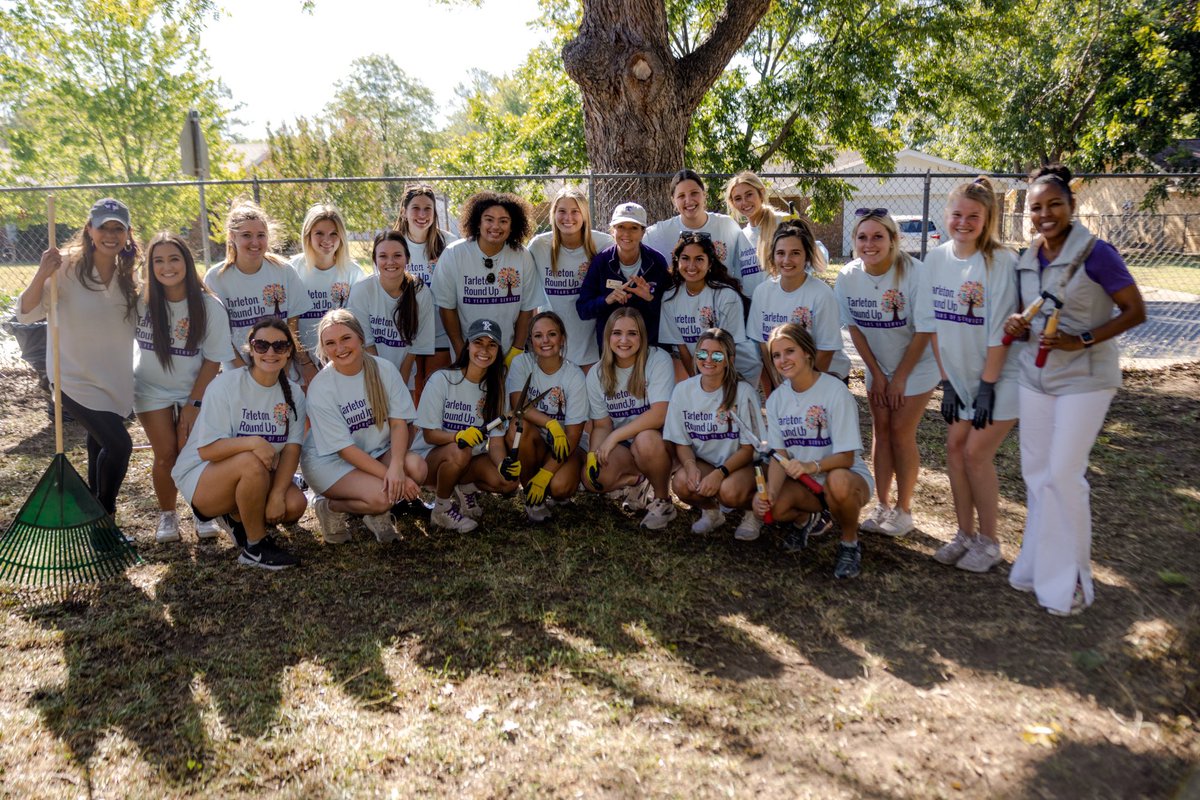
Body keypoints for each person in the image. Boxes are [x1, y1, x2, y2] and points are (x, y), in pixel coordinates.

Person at [1004, 165, 1146, 616]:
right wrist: (1017, 323)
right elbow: (1027, 315)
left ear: (1072, 207)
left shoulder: (1097, 253)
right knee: (1036, 476)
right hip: (1036, 377)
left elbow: (1134, 310)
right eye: (1036, 208)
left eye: (1054, 205)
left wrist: (1080, 339)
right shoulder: (1029, 257)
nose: (1045, 214)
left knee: (1064, 476)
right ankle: (1038, 568)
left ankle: (1073, 582)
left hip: (1085, 379)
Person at [916, 176, 1020, 573]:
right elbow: (934, 324)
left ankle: (990, 542)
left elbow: (1000, 333)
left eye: (973, 216)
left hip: (1000, 376)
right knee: (954, 450)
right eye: (957, 214)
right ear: (945, 216)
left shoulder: (999, 261)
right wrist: (947, 383)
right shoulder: (937, 259)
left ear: (987, 218)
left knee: (976, 453)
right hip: (958, 378)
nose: (963, 222)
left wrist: (987, 389)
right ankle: (964, 535)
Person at [17, 198, 140, 519]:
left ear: (127, 233)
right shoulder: (66, 267)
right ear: (89, 230)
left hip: (115, 379)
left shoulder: (130, 273)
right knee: (120, 446)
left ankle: (95, 524)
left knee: (100, 445)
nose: (110, 235)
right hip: (73, 378)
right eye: (103, 227)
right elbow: (27, 313)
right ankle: (104, 516)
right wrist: (42, 272)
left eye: (118, 228)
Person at [170, 318, 307, 570]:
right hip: (202, 477)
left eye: (279, 346)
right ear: (250, 348)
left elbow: (292, 449)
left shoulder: (295, 394)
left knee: (294, 504)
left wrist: (277, 494)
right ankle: (255, 548)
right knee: (250, 462)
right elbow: (207, 450)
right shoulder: (226, 385)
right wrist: (253, 442)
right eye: (261, 345)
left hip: (251, 473)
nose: (270, 352)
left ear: (289, 351)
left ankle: (235, 516)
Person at [834, 210, 939, 537]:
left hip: (917, 366)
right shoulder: (849, 276)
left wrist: (901, 378)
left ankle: (904, 511)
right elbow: (855, 329)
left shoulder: (915, 274)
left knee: (899, 430)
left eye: (878, 236)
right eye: (862, 237)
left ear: (893, 239)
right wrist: (877, 374)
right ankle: (882, 506)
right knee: (880, 430)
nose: (870, 243)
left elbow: (924, 332)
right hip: (877, 365)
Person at [134, 232, 235, 543]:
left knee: (192, 452)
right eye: (158, 260)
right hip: (150, 390)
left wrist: (193, 404)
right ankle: (167, 516)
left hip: (195, 389)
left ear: (187, 264)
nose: (167, 267)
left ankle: (202, 510)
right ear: (149, 266)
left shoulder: (208, 306)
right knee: (165, 454)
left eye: (174, 259)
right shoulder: (139, 301)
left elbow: (213, 360)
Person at [755, 324, 873, 579]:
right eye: (776, 355)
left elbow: (847, 457)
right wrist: (770, 494)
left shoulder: (835, 391)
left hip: (846, 478)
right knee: (775, 508)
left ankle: (849, 543)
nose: (783, 360)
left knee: (838, 482)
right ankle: (805, 520)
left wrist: (812, 466)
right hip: (806, 484)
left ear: (808, 352)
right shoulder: (776, 399)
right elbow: (779, 455)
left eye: (790, 351)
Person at [302, 309, 428, 544]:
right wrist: (393, 476)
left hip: (374, 451)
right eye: (330, 343)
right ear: (323, 348)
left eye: (346, 338)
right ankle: (330, 507)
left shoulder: (384, 369)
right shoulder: (321, 388)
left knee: (416, 468)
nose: (339, 348)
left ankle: (375, 513)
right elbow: (345, 450)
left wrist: (398, 468)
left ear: (360, 337)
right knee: (382, 497)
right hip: (329, 462)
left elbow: (399, 424)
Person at [412, 318, 518, 532]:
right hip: (429, 461)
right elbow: (429, 435)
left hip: (467, 459)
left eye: (492, 344)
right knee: (460, 450)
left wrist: (502, 465)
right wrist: (458, 437)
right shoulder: (442, 379)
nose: (485, 350)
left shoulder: (496, 388)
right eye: (479, 342)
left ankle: (464, 488)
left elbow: (496, 443)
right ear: (467, 344)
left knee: (508, 482)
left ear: (498, 350)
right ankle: (441, 509)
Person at [581, 308, 677, 530]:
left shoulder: (657, 359)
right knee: (593, 479)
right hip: (625, 446)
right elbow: (602, 424)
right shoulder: (597, 374)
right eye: (617, 333)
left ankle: (662, 501)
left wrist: (615, 436)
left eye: (632, 333)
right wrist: (594, 455)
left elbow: (659, 414)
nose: (624, 340)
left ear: (642, 337)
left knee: (645, 441)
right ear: (608, 337)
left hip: (659, 442)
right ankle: (639, 482)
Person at [664, 328, 762, 540]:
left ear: (729, 359)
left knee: (729, 492)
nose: (708, 359)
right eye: (702, 353)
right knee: (681, 482)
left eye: (717, 355)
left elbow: (749, 449)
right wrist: (690, 466)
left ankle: (752, 513)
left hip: (741, 466)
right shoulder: (683, 391)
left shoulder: (743, 392)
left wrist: (720, 473)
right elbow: (681, 441)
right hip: (706, 463)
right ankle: (712, 512)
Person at [431, 191, 540, 364]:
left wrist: (516, 351)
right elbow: (447, 307)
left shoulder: (522, 256)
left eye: (503, 221)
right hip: (467, 352)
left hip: (507, 354)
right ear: (478, 222)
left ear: (512, 226)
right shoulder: (454, 254)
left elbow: (526, 309)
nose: (495, 226)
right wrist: (461, 350)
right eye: (489, 219)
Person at [204, 199, 314, 370]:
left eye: (261, 235)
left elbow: (292, 324)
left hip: (281, 370)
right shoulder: (216, 278)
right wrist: (247, 374)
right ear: (232, 236)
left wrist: (284, 364)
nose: (255, 242)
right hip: (238, 374)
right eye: (246, 235)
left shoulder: (284, 271)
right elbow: (220, 336)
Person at [505, 312, 589, 522]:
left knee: (560, 487)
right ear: (530, 341)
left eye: (551, 334)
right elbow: (518, 404)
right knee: (518, 426)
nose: (545, 341)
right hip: (535, 442)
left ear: (562, 338)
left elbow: (573, 434)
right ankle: (532, 498)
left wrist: (546, 475)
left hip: (565, 446)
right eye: (538, 335)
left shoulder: (574, 375)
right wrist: (550, 423)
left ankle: (547, 481)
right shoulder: (521, 364)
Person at [748, 221, 850, 389]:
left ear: (807, 256)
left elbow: (826, 352)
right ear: (772, 255)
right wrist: (777, 387)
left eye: (795, 253)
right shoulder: (762, 292)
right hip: (784, 381)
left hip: (824, 377)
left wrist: (803, 390)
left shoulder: (821, 294)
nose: (787, 260)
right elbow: (763, 346)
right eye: (780, 253)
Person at [528, 187, 614, 368]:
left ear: (584, 215)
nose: (568, 218)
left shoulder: (603, 244)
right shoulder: (539, 246)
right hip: (552, 343)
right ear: (553, 214)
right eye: (562, 211)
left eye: (575, 212)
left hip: (590, 343)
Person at [660, 232, 760, 386]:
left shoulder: (726, 296)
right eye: (685, 258)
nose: (691, 266)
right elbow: (683, 350)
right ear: (677, 260)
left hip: (737, 368)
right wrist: (699, 383)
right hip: (704, 368)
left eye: (699, 259)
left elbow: (729, 349)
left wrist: (717, 385)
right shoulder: (669, 299)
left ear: (710, 263)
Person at [644, 168, 762, 298]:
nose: (688, 201)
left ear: (704, 194)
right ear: (673, 201)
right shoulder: (660, 232)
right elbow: (630, 241)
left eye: (694, 193)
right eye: (681, 196)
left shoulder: (726, 225)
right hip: (681, 310)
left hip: (723, 306)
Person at [347, 231, 434, 390]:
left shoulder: (420, 292)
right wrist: (381, 378)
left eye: (397, 255)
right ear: (374, 259)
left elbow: (418, 343)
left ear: (407, 258)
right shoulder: (362, 290)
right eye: (383, 256)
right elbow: (366, 342)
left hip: (405, 375)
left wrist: (402, 377)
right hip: (370, 373)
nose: (390, 262)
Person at [576, 202, 670, 350]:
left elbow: (671, 311)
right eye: (621, 227)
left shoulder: (656, 262)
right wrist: (607, 300)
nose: (626, 233)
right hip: (612, 350)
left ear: (643, 232)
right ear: (613, 230)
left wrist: (650, 298)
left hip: (649, 347)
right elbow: (583, 309)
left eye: (634, 228)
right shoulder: (601, 262)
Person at [290, 203, 364, 385]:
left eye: (333, 233)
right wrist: (305, 363)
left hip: (341, 359)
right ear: (308, 235)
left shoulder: (353, 271)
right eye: (319, 233)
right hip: (303, 362)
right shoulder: (292, 269)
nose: (327, 239)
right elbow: (291, 323)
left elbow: (357, 324)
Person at [393, 184, 457, 387]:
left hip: (440, 328)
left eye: (427, 208)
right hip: (406, 328)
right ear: (404, 211)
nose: (422, 214)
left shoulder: (448, 243)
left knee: (433, 385)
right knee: (410, 386)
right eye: (416, 208)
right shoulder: (394, 242)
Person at [724, 171, 830, 277]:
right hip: (753, 294)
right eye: (738, 199)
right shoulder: (741, 236)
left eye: (749, 195)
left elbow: (820, 263)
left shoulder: (784, 222)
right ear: (733, 203)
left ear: (761, 193)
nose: (744, 202)